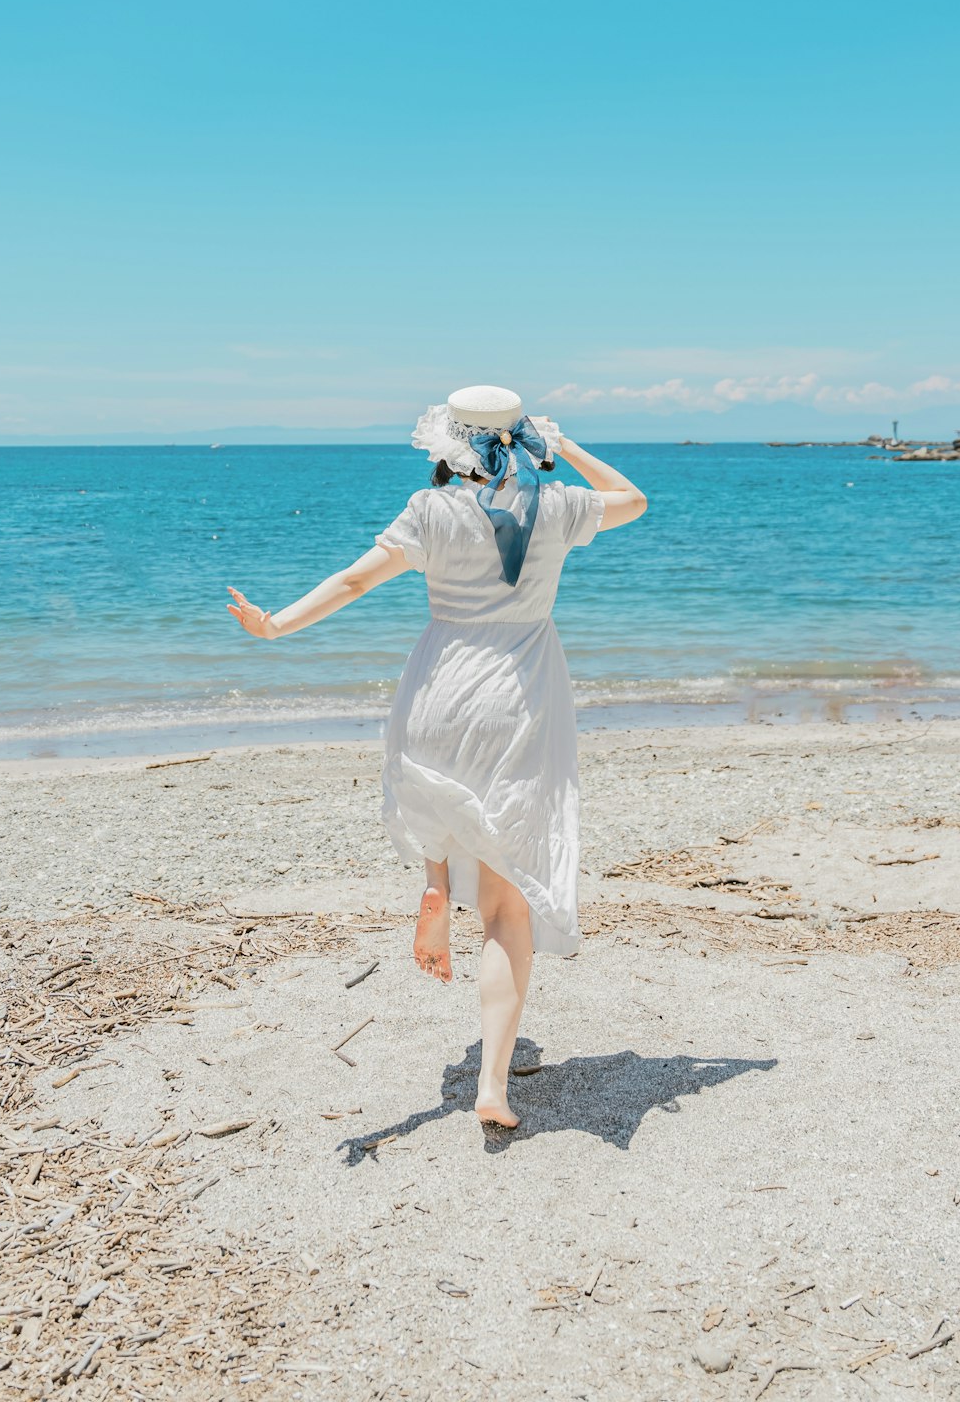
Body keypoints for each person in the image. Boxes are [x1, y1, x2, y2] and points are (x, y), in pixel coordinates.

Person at [227, 385, 647, 1134]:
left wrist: (275, 626)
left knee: (442, 796)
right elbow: (634, 500)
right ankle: (492, 1085)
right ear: (522, 439)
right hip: (516, 694)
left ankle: (434, 881)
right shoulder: (557, 509)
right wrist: (563, 446)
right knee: (506, 908)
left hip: (440, 687)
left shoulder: (430, 511)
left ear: (448, 445)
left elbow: (355, 579)